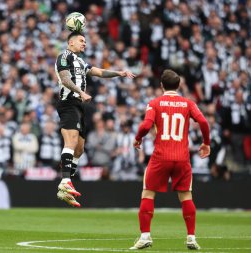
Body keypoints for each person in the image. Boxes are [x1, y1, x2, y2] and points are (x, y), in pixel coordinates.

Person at [130, 69, 211, 250]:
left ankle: (145, 237)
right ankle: (191, 238)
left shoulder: (155, 103)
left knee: (148, 193)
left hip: (160, 157)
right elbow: (204, 122)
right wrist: (206, 143)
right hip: (182, 158)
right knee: (186, 196)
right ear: (179, 85)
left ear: (161, 86)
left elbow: (146, 125)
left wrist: (138, 138)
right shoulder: (188, 103)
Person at [54, 31, 136, 207]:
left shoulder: (81, 61)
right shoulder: (63, 57)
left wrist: (119, 73)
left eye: (85, 41)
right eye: (81, 41)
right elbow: (65, 79)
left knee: (79, 149)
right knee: (71, 140)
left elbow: (99, 72)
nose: (84, 43)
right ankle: (64, 182)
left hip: (80, 106)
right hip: (68, 102)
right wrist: (81, 91)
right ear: (71, 43)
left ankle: (66, 187)